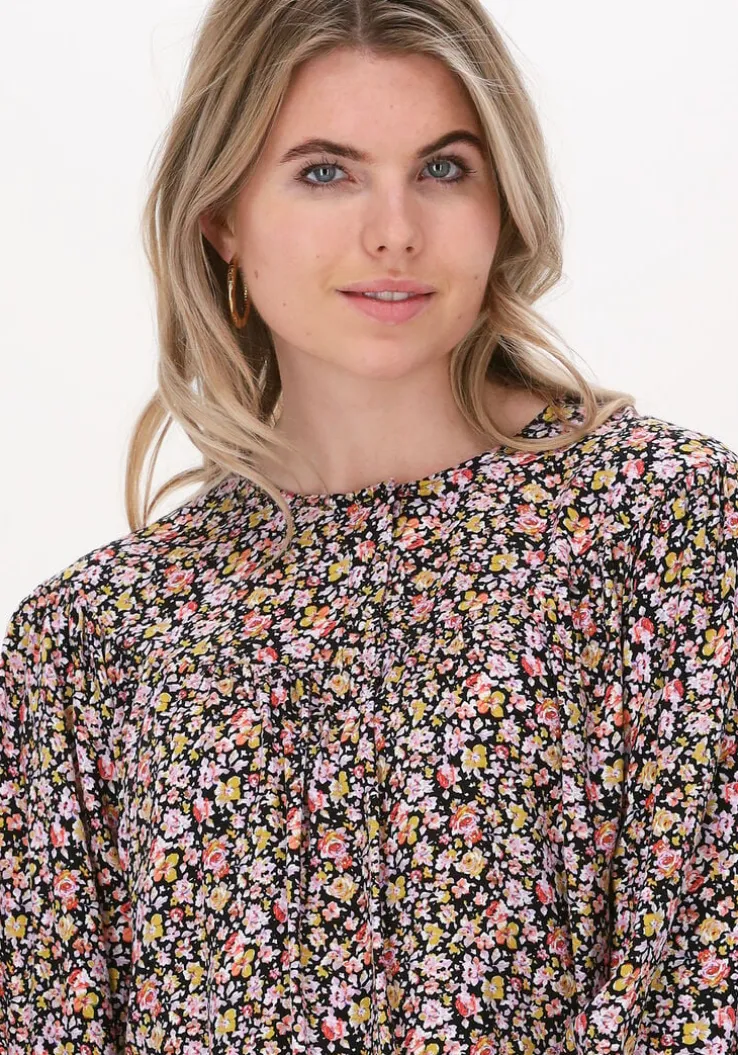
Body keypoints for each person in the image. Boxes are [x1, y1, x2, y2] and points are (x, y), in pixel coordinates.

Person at [1, 0, 737, 1051]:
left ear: (503, 202)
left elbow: (704, 980)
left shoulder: (668, 526)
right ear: (221, 216)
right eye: (325, 171)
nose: (394, 230)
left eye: (443, 168)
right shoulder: (90, 642)